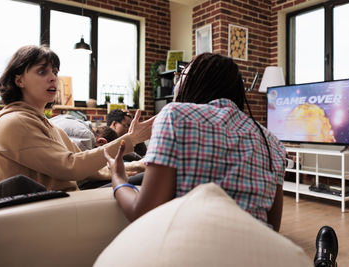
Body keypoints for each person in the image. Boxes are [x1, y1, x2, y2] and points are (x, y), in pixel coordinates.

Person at [104, 53, 286, 231]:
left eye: (180, 76)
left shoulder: (174, 115)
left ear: (193, 82)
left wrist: (118, 177)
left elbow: (143, 213)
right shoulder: (273, 142)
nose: (176, 85)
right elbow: (272, 228)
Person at [0, 45, 153, 193]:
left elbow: (90, 166)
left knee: (152, 174)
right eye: (42, 71)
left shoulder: (49, 126)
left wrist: (141, 164)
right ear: (19, 80)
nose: (53, 78)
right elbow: (72, 166)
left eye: (55, 72)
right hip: (41, 212)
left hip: (63, 204)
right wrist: (130, 139)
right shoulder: (14, 122)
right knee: (154, 180)